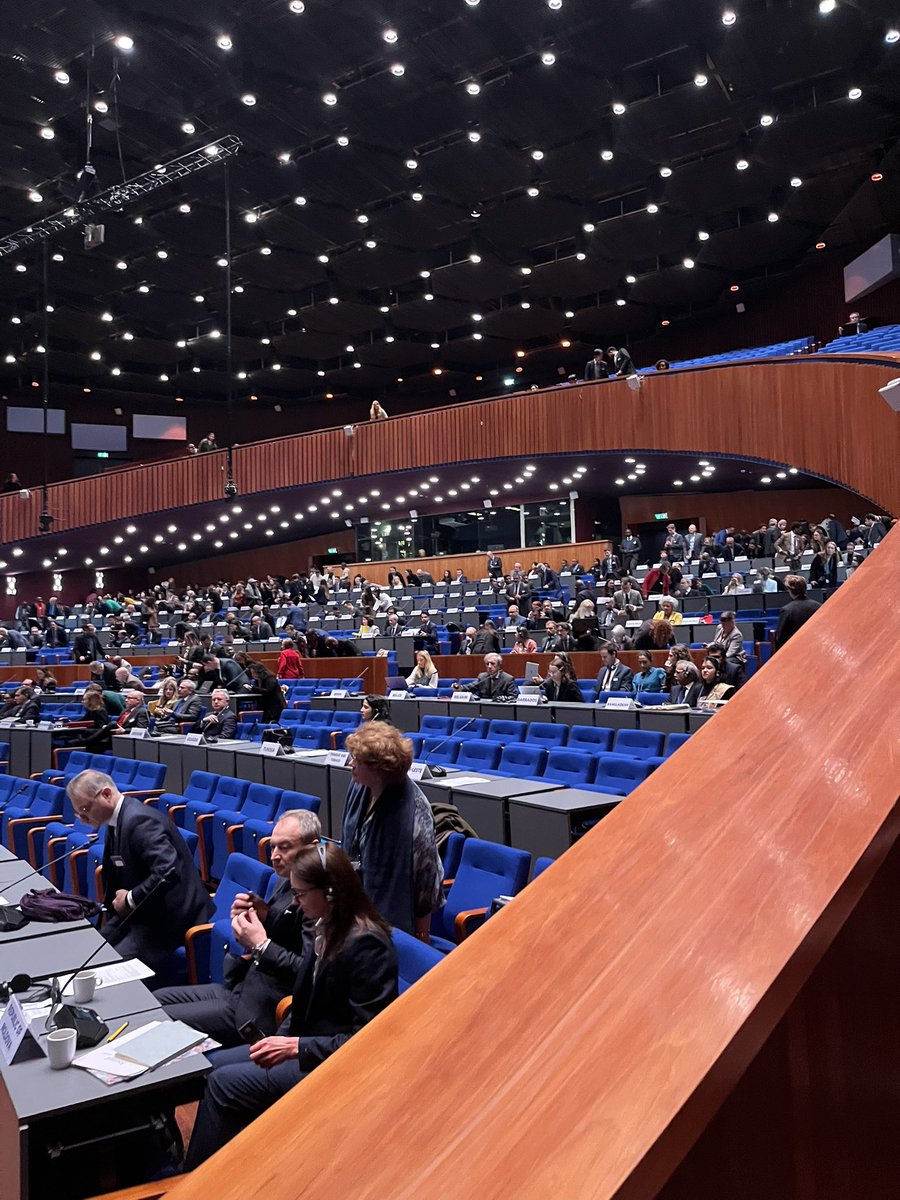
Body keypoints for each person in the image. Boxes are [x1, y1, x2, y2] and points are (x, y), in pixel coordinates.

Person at [183, 843, 398, 1169]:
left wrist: (294, 1047)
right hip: (304, 1042)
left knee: (223, 1086)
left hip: (334, 1065)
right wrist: (279, 1039)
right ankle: (237, 1164)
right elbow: (304, 1001)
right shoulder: (326, 925)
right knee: (211, 1067)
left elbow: (369, 1041)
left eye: (299, 895)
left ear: (329, 892)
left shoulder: (367, 944)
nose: (295, 903)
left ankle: (193, 1182)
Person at [156, 810, 321, 1046]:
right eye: (273, 847)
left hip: (260, 1008)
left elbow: (308, 973)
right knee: (156, 1001)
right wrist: (262, 914)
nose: (274, 856)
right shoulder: (288, 876)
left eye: (284, 847)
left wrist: (261, 945)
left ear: (312, 847)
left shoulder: (316, 897)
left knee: (163, 1019)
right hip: (242, 987)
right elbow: (285, 928)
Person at [66, 770, 214, 975]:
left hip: (171, 919)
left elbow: (168, 870)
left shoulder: (139, 821)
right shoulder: (114, 820)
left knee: (106, 971)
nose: (82, 819)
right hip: (142, 913)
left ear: (106, 794)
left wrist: (129, 898)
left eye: (84, 809)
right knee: (88, 952)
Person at [341, 723, 443, 937]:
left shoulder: (414, 812)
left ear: (379, 770)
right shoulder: (359, 787)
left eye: (357, 761)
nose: (350, 764)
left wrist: (421, 939)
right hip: (353, 909)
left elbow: (426, 885)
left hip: (391, 923)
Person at [774, 574, 821, 650]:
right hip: (816, 648)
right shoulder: (819, 606)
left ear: (790, 591)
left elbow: (780, 638)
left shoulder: (787, 610)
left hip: (795, 650)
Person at [453, 653, 517, 700]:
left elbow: (513, 697)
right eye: (487, 664)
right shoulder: (482, 676)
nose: (489, 666)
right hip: (482, 708)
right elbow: (470, 687)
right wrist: (459, 687)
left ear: (499, 665)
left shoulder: (508, 679)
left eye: (492, 663)